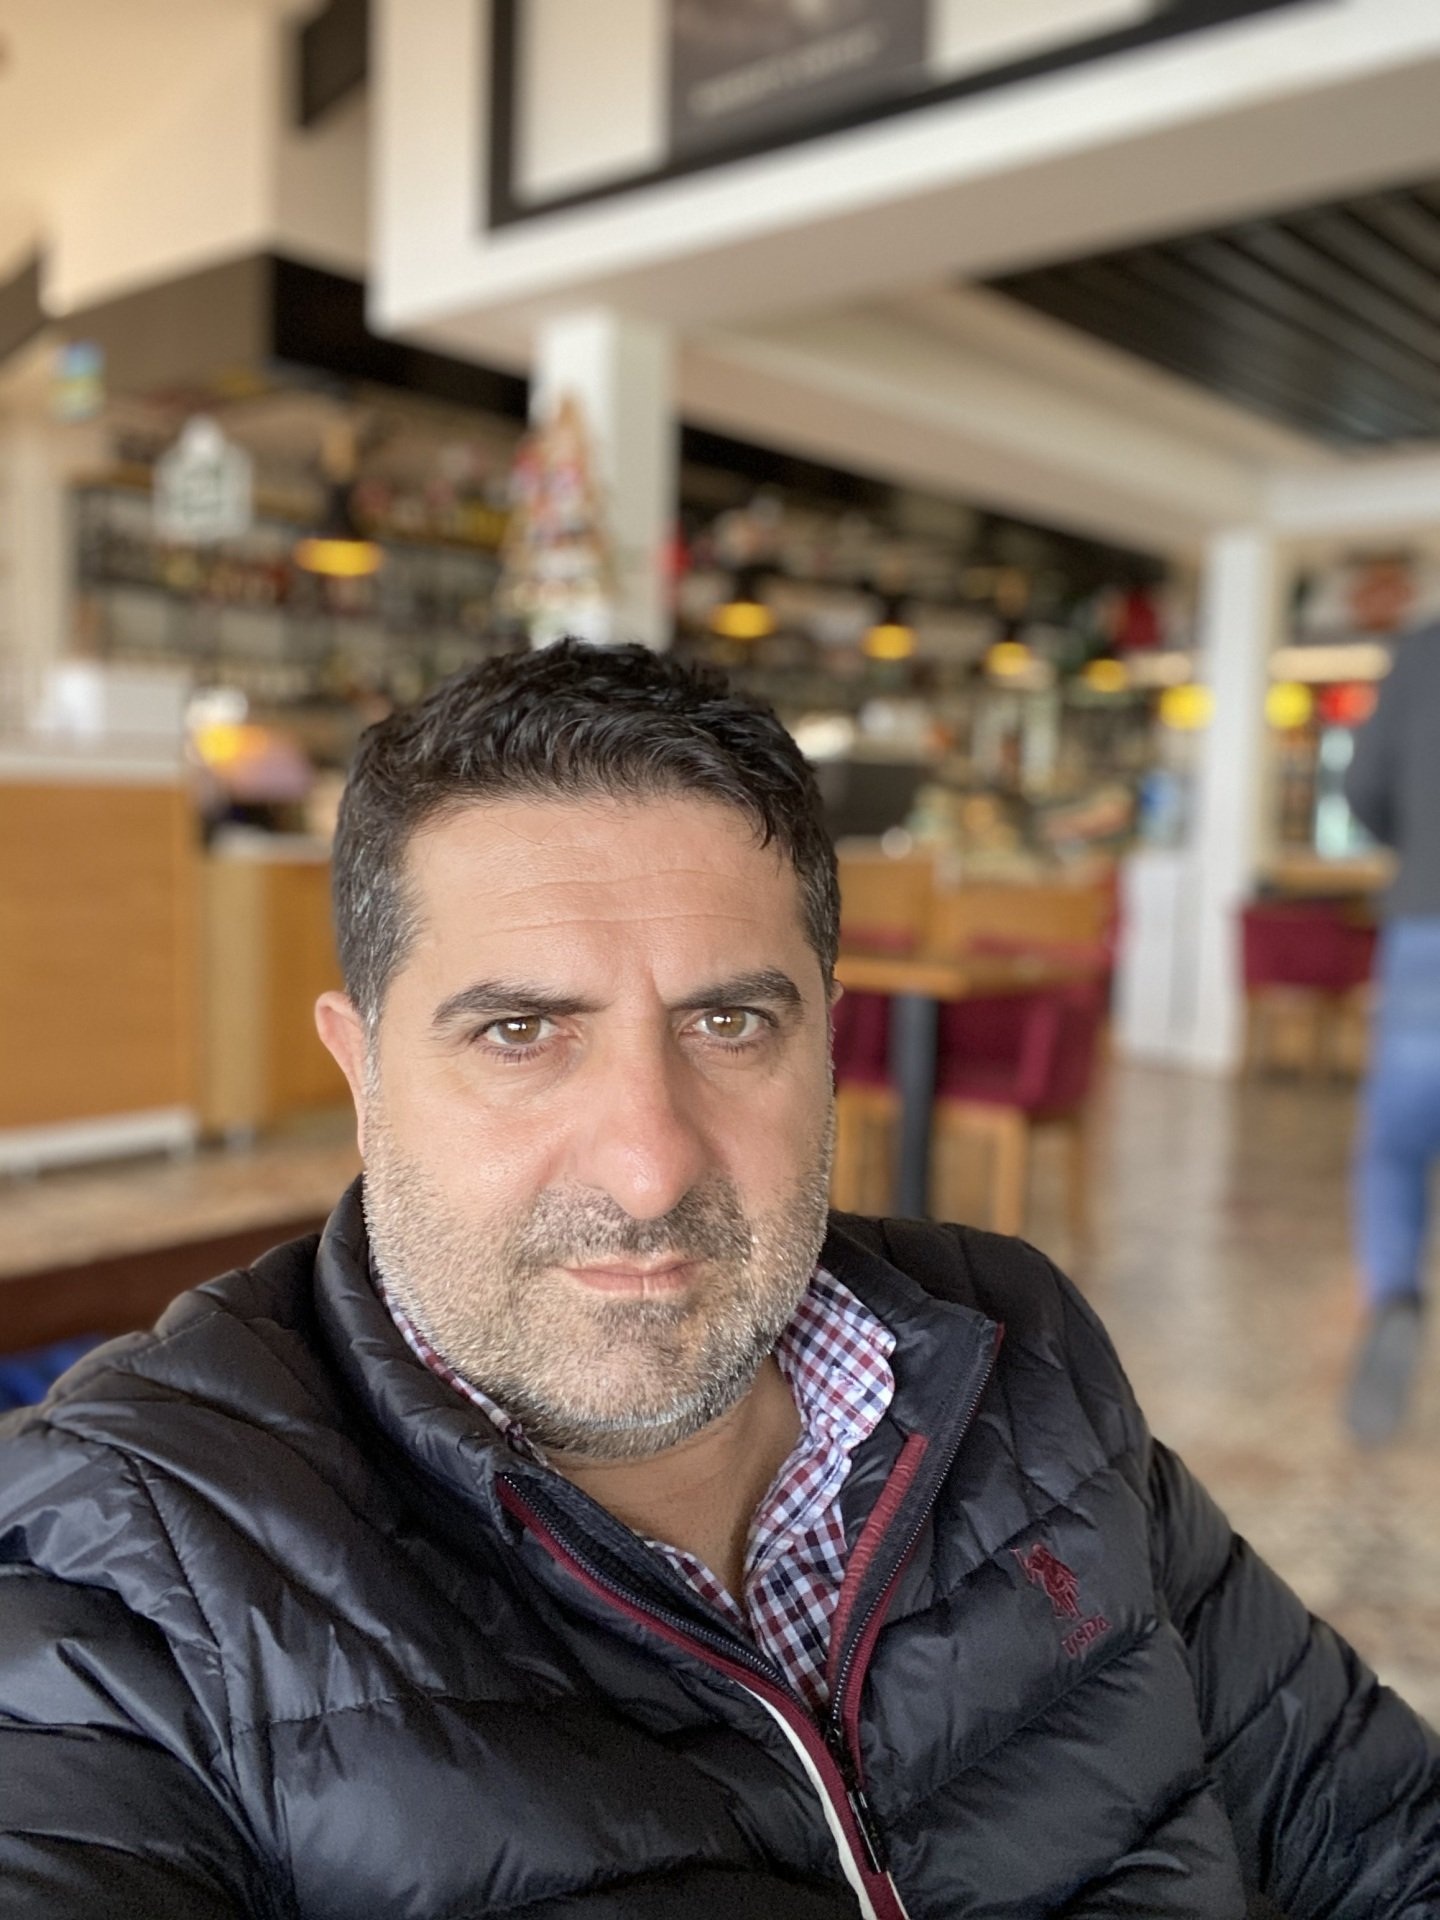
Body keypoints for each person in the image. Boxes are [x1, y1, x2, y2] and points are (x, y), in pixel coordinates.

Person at [0, 641, 1435, 1920]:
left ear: (828, 1045)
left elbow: (1384, 1827)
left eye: (732, 1023)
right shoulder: (135, 1561)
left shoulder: (1018, 1357)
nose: (647, 1166)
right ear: (362, 1071)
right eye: (520, 1033)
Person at [1344, 621, 1440, 1443]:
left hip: (1428, 919)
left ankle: (1396, 1296)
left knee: (1397, 1141)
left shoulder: (1423, 650)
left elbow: (1363, 787)